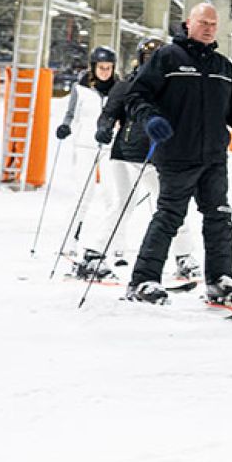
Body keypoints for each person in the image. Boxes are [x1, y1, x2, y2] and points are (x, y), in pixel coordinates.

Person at [119, 2, 232, 305]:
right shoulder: (167, 58)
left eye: (213, 23)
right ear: (188, 23)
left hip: (213, 156)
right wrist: (151, 119)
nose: (209, 28)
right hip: (177, 154)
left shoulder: (224, 68)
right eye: (203, 22)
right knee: (169, 216)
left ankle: (220, 280)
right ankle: (143, 280)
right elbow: (136, 96)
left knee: (219, 217)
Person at [71, 37, 203, 282]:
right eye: (148, 58)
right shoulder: (128, 85)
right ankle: (93, 256)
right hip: (126, 154)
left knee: (170, 206)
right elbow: (109, 112)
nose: (153, 63)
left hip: (158, 157)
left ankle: (184, 256)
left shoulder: (172, 89)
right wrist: (105, 128)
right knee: (122, 204)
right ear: (140, 59)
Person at [55, 47, 116, 167]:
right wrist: (65, 126)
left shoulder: (118, 89)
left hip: (109, 145)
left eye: (108, 68)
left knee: (110, 184)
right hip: (84, 143)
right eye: (101, 68)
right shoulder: (80, 88)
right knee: (83, 183)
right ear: (94, 67)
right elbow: (71, 114)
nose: (105, 71)